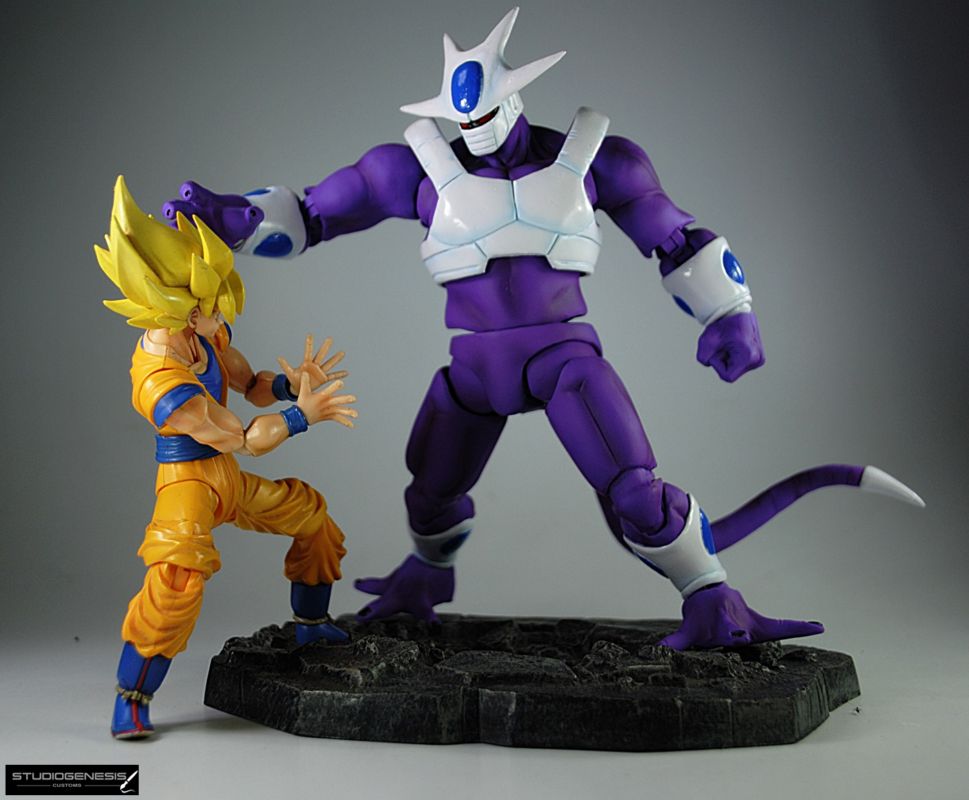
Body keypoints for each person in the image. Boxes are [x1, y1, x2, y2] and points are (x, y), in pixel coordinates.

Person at [163, 9, 922, 652]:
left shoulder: (594, 161)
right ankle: (426, 575)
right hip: (474, 371)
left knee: (635, 493)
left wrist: (730, 312)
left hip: (562, 360)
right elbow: (311, 213)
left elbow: (677, 236)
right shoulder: (415, 172)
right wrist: (234, 218)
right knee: (428, 495)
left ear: (515, 99)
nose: (475, 131)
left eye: (487, 114)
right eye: (462, 120)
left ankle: (712, 597)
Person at [97, 176, 357, 738]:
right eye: (213, 306)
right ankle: (132, 697)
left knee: (312, 515)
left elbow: (250, 384)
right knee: (176, 583)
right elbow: (244, 436)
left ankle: (311, 623)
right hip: (187, 484)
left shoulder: (205, 336)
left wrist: (290, 385)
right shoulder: (160, 378)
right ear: (185, 311)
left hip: (226, 477)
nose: (223, 314)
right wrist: (302, 416)